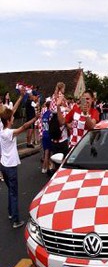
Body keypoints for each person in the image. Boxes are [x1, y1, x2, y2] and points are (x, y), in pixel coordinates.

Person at [0, 88, 37, 228]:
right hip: (10, 166)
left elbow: (12, 111)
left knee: (11, 190)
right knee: (14, 193)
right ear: (9, 120)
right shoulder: (9, 132)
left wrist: (20, 98)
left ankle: (10, 212)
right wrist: (34, 118)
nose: (13, 117)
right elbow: (23, 127)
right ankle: (15, 220)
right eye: (12, 117)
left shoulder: (2, 130)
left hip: (3, 165)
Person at [40, 100, 54, 174]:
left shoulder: (44, 114)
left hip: (44, 133)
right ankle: (46, 167)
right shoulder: (50, 114)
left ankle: (46, 167)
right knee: (49, 153)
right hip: (49, 134)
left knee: (46, 152)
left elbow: (42, 123)